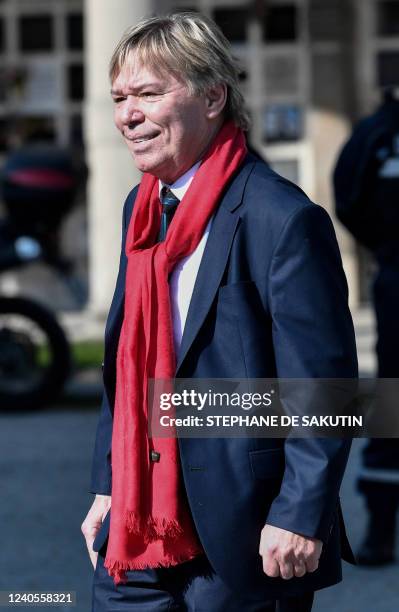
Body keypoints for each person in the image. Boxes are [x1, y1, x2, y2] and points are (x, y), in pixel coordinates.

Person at [82, 12, 358, 611]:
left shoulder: (280, 219)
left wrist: (300, 513)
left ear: (213, 97)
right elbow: (124, 365)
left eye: (149, 94)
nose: (128, 115)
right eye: (120, 98)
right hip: (137, 527)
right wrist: (108, 486)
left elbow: (325, 389)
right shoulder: (143, 204)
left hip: (245, 538)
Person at [334, 87, 399, 565]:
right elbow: (350, 198)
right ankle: (380, 530)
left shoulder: (377, 129)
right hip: (398, 277)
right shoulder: (378, 132)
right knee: (392, 404)